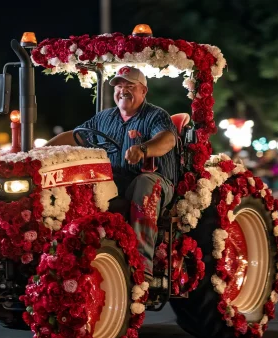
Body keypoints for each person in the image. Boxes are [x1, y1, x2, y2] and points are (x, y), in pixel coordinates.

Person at [45, 66, 178, 282]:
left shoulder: (156, 115)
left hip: (154, 181)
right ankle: (73, 253)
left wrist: (143, 150)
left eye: (130, 86)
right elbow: (76, 137)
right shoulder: (104, 118)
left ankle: (142, 267)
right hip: (113, 182)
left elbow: (167, 139)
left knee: (145, 184)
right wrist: (41, 151)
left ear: (144, 91)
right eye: (119, 86)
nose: (123, 91)